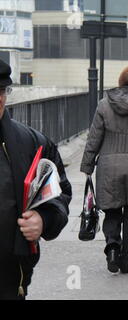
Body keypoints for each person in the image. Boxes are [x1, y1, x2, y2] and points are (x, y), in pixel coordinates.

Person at [0, 59, 72, 299]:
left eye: (1, 91)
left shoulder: (33, 143)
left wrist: (45, 218)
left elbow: (59, 192)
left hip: (11, 277)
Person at [80, 65, 128, 274]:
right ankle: (127, 262)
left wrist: (87, 165)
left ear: (122, 80)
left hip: (108, 166)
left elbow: (94, 138)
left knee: (112, 211)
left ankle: (113, 247)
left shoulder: (104, 105)